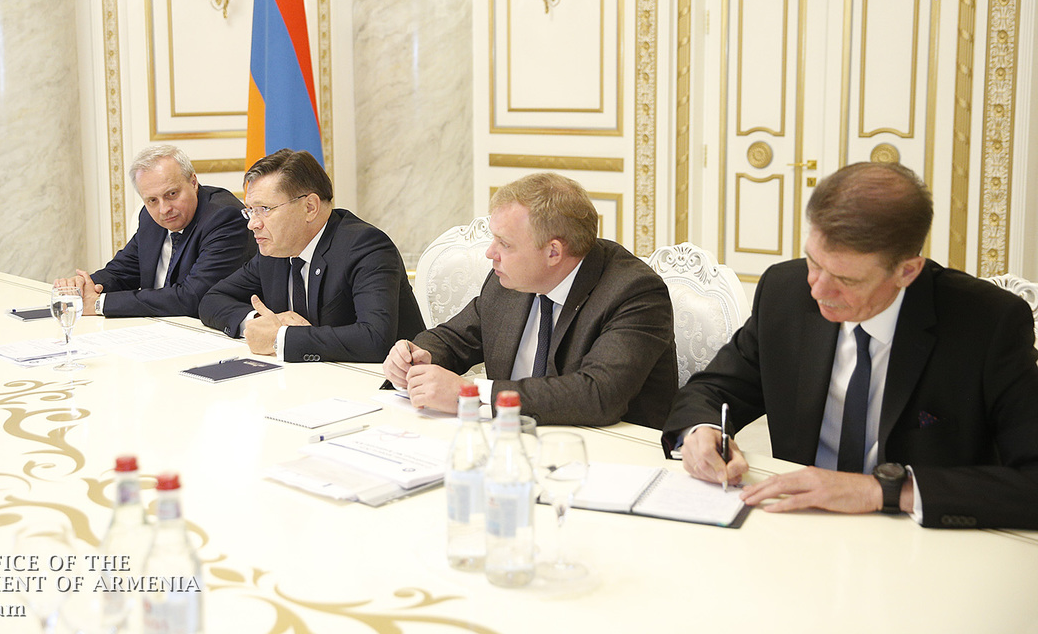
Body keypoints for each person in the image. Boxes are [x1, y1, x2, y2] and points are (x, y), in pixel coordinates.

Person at [663, 162, 1038, 529]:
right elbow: (712, 389)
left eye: (846, 279)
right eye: (814, 262)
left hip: (919, 536)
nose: (818, 290)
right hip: (797, 525)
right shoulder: (785, 291)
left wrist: (882, 491)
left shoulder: (988, 323)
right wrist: (700, 431)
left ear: (907, 271)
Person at [381, 172, 677, 427]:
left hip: (608, 454)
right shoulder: (509, 280)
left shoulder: (634, 293)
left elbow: (599, 395)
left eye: (505, 244)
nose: (490, 253)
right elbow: (453, 339)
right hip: (509, 440)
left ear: (553, 252)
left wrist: (472, 394)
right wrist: (416, 356)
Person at [199, 149, 424, 363]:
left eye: (264, 209)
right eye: (250, 210)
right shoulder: (273, 251)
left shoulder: (366, 246)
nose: (253, 224)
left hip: (387, 382)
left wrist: (281, 338)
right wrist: (260, 322)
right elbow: (211, 300)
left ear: (309, 207)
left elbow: (375, 338)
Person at [56, 144, 250, 318]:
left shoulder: (224, 218)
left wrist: (100, 304)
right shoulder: (150, 217)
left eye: (172, 194)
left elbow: (192, 297)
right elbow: (122, 271)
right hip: (156, 328)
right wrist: (83, 286)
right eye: (152, 200)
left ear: (193, 182)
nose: (164, 209)